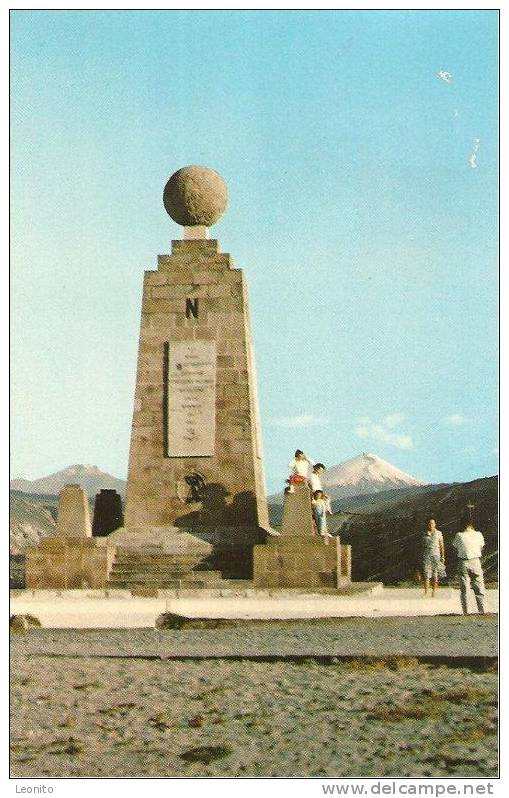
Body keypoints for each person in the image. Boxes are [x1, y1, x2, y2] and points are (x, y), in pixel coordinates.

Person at [452, 516, 486, 615]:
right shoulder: (479, 534)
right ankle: (482, 610)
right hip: (476, 561)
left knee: (464, 588)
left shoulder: (459, 535)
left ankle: (465, 611)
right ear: (472, 524)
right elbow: (482, 547)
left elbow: (455, 548)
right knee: (479, 586)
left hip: (463, 561)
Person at [422, 518, 445, 596]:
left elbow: (441, 545)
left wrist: (443, 556)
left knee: (435, 574)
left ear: (435, 524)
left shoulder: (439, 533)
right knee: (426, 574)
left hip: (436, 555)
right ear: (427, 525)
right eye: (429, 523)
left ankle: (434, 592)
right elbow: (422, 545)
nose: (431, 525)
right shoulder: (424, 533)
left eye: (432, 523)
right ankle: (426, 592)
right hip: (427, 555)